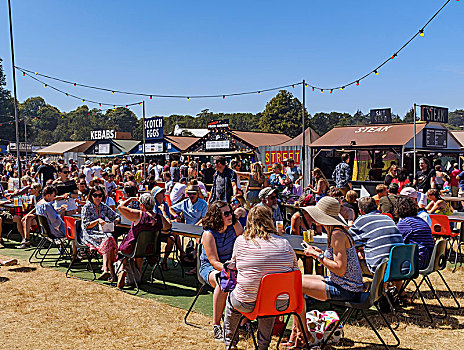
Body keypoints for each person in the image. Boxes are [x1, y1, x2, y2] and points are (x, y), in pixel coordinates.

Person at [288, 197, 363, 347]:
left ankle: (302, 334)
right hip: (346, 284)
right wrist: (320, 252)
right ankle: (298, 334)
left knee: (295, 285)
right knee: (295, 281)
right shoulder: (336, 232)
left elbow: (340, 269)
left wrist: (318, 255)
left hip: (346, 288)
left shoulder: (337, 235)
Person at [223, 205, 298, 349]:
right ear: (270, 220)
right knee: (268, 302)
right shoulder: (284, 243)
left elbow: (234, 265)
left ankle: (230, 343)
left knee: (232, 303)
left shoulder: (241, 241)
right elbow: (294, 271)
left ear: (249, 221)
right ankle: (263, 346)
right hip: (280, 301)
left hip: (246, 300)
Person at [200, 201, 244, 341]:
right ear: (217, 217)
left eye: (230, 212)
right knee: (223, 281)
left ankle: (243, 322)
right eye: (226, 214)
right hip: (211, 268)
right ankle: (217, 325)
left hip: (232, 265)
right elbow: (213, 261)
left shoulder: (235, 225)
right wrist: (229, 268)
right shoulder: (208, 234)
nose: (230, 215)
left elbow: (244, 245)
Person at [117, 193, 171, 288]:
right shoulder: (159, 217)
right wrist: (164, 213)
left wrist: (130, 199)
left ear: (141, 205)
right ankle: (139, 276)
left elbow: (120, 207)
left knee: (122, 252)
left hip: (132, 247)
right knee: (140, 255)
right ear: (153, 205)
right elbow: (168, 226)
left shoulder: (138, 215)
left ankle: (122, 270)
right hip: (151, 250)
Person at [349, 197, 404, 275]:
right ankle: (396, 287)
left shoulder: (361, 220)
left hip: (380, 269)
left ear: (361, 211)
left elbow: (347, 238)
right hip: (402, 267)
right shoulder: (388, 218)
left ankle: (357, 285)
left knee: (353, 257)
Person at [80, 185, 120, 280]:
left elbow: (116, 215)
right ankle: (109, 270)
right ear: (91, 196)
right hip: (89, 233)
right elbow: (86, 226)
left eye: (100, 195)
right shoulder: (86, 207)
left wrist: (115, 221)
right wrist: (98, 220)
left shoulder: (103, 206)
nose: (98, 198)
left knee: (109, 238)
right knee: (108, 239)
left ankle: (108, 271)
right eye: (95, 195)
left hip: (101, 232)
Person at [396, 196, 435, 270]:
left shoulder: (405, 223)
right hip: (429, 260)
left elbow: (394, 240)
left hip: (416, 262)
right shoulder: (420, 220)